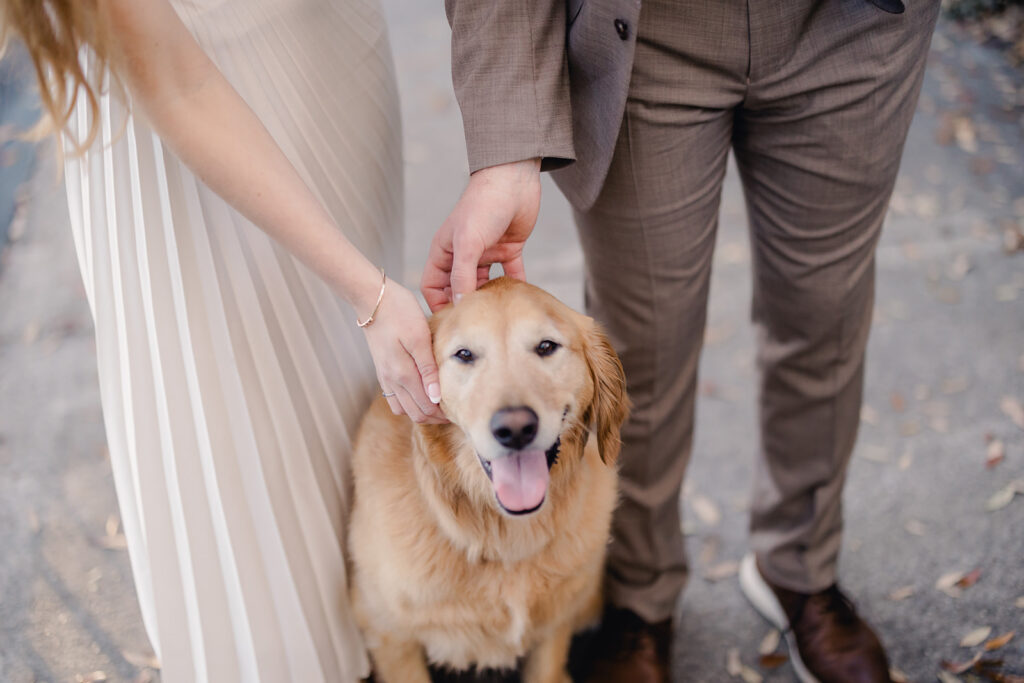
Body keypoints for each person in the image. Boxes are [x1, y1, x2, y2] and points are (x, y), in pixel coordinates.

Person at [423, 0, 941, 681]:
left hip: (851, 24)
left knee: (826, 320)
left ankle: (801, 567)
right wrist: (504, 151)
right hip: (649, 32)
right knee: (640, 351)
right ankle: (639, 595)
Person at [1, 0, 445, 680]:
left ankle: (386, 639)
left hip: (334, 64)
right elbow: (179, 83)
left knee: (351, 422)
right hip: (177, 117)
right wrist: (371, 293)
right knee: (247, 499)